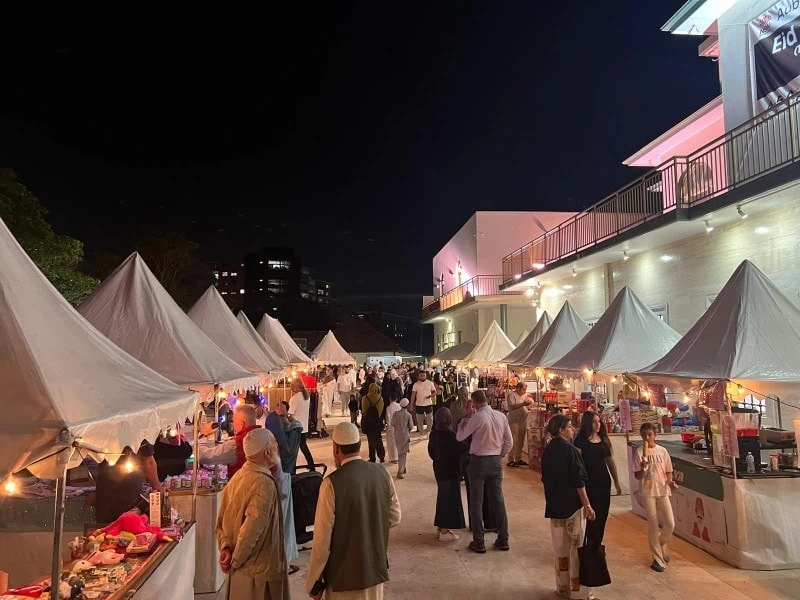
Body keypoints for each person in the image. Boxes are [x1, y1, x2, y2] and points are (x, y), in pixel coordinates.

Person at [306, 423, 401, 599]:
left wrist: (314, 581)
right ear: (358, 445)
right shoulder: (383, 473)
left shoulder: (331, 484)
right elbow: (395, 517)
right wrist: (369, 528)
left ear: (336, 449)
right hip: (374, 570)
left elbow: (322, 540)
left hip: (342, 578)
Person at [216, 428, 289, 600]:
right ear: (267, 452)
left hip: (240, 569)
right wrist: (235, 560)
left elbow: (220, 522)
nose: (277, 447)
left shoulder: (238, 476)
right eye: (274, 443)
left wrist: (226, 547)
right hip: (258, 574)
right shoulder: (264, 483)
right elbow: (252, 530)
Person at [541, 414, 596, 600]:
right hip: (572, 508)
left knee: (561, 551)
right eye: (570, 426)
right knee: (576, 550)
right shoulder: (570, 450)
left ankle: (562, 588)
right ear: (561, 430)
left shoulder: (548, 450)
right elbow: (578, 481)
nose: (573, 429)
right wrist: (587, 505)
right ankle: (577, 592)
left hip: (555, 507)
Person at [456, 390, 512, 553]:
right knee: (498, 500)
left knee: (476, 501)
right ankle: (503, 538)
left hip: (478, 461)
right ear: (486, 400)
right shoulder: (501, 416)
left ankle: (479, 541)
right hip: (495, 461)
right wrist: (500, 455)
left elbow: (460, 437)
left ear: (474, 403)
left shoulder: (476, 418)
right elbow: (509, 441)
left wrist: (464, 420)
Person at [574, 411, 622, 549]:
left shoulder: (604, 440)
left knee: (602, 514)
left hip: (603, 482)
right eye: (594, 422)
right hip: (588, 483)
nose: (598, 424)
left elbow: (610, 462)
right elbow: (577, 464)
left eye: (599, 421)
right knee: (590, 514)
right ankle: (588, 544)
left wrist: (616, 481)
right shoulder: (580, 442)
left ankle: (597, 543)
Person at [633, 422, 677, 572]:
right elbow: (637, 475)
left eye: (649, 435)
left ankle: (661, 544)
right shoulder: (639, 452)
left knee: (670, 523)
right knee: (653, 522)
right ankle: (657, 558)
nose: (647, 438)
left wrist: (670, 482)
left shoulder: (662, 451)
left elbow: (668, 470)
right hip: (648, 491)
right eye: (644, 435)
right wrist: (643, 468)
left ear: (655, 435)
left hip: (662, 489)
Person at [95, 440, 162, 524]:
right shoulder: (139, 433)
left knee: (107, 529)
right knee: (130, 526)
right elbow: (148, 463)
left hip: (105, 491)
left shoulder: (101, 433)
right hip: (129, 491)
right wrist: (157, 488)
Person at [428, 408, 468, 542]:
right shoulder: (451, 436)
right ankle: (444, 531)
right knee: (449, 500)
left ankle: (441, 527)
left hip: (439, 470)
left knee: (443, 497)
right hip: (451, 472)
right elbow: (464, 449)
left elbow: (431, 452)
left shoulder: (433, 433)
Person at [198, 404, 261, 479]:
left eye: (233, 421)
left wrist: (204, 434)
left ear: (241, 424)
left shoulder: (235, 444)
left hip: (241, 484)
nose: (232, 424)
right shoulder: (263, 437)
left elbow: (203, 456)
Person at [288, 378, 315, 471]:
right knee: (303, 447)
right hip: (304, 426)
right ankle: (311, 466)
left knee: (293, 450)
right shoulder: (306, 397)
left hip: (295, 427)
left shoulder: (294, 399)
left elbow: (290, 414)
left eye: (292, 385)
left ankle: (293, 470)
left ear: (296, 387)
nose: (291, 388)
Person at [506, 382, 533, 467]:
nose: (525, 391)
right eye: (523, 389)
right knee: (514, 440)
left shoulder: (524, 396)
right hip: (514, 421)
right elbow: (512, 406)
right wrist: (523, 404)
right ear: (518, 388)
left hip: (522, 421)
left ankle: (518, 458)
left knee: (520, 441)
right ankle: (511, 459)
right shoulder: (511, 395)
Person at [361, 382, 386, 463]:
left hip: (369, 422)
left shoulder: (365, 398)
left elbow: (363, 411)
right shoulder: (380, 398)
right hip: (377, 422)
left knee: (371, 440)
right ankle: (381, 456)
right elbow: (381, 410)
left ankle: (372, 458)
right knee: (378, 439)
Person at [391, 398, 414, 479]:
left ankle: (403, 467)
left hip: (397, 435)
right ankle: (400, 471)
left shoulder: (396, 414)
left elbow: (392, 423)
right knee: (403, 454)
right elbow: (411, 426)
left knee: (400, 452)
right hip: (405, 436)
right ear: (407, 406)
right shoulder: (408, 415)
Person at [410, 369, 437, 437]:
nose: (422, 377)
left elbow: (435, 392)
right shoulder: (416, 384)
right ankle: (421, 433)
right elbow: (413, 395)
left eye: (423, 375)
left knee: (430, 419)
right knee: (419, 420)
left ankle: (428, 431)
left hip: (428, 404)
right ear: (418, 376)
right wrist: (411, 405)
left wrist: (431, 395)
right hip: (419, 404)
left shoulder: (430, 383)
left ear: (426, 376)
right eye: (421, 376)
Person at [384, 397, 401, 463]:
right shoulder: (399, 406)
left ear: (390, 399)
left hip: (391, 427)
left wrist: (388, 426)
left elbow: (388, 418)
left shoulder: (388, 407)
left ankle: (394, 458)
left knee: (392, 442)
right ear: (396, 399)